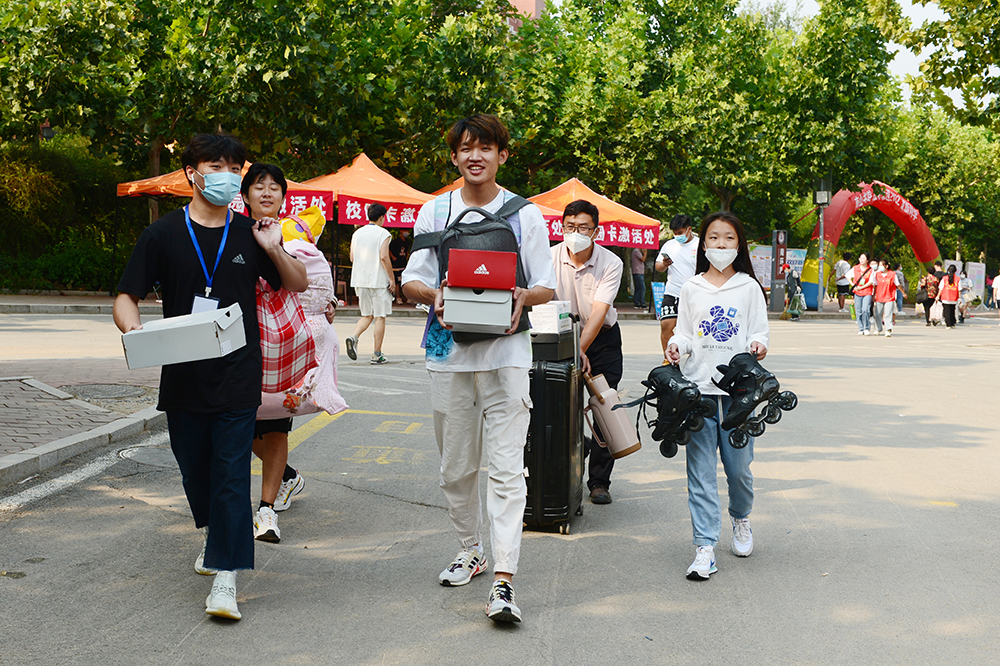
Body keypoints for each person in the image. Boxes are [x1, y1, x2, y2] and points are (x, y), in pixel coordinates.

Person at [113, 134, 308, 620]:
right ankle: (216, 534)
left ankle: (226, 577)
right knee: (195, 469)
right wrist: (133, 331)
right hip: (182, 375)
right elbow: (127, 296)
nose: (226, 175)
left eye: (233, 168)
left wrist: (274, 249)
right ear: (192, 173)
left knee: (229, 475)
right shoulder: (161, 234)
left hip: (238, 374)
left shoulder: (250, 232)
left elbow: (297, 283)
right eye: (215, 165)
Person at [401, 114, 556, 623]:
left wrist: (522, 295)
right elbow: (411, 280)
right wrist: (436, 295)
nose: (475, 156)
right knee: (456, 467)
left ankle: (504, 580)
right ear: (454, 156)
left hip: (507, 355)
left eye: (485, 148)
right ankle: (471, 549)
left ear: (502, 156)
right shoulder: (434, 210)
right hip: (448, 354)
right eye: (466, 148)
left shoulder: (525, 215)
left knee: (507, 469)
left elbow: (547, 285)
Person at [241, 164, 346, 544]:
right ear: (245, 195)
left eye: (275, 187)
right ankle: (286, 476)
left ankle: (266, 509)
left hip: (283, 346)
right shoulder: (231, 235)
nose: (267, 192)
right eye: (259, 186)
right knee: (239, 426)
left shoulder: (291, 238)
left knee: (275, 424)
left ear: (284, 198)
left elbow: (313, 284)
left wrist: (327, 303)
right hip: (241, 343)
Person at [665, 211, 768, 581]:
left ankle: (741, 517)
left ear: (739, 244)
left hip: (738, 394)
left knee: (738, 469)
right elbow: (684, 332)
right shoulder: (691, 287)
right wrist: (677, 346)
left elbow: (759, 331)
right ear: (703, 243)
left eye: (728, 238)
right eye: (713, 237)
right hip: (699, 392)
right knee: (700, 471)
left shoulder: (749, 287)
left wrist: (758, 344)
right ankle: (704, 546)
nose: (720, 244)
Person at [551, 199, 624, 505]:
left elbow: (598, 313)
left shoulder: (611, 262)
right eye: (570, 226)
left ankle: (599, 482)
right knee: (556, 406)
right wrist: (570, 347)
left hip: (602, 340)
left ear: (596, 231)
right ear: (561, 227)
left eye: (583, 227)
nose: (576, 233)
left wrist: (580, 350)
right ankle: (563, 467)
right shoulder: (549, 257)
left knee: (603, 408)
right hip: (559, 337)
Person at [346, 203, 395, 364]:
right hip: (378, 281)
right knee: (380, 317)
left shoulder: (357, 233)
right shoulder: (383, 233)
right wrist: (392, 279)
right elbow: (384, 257)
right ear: (381, 217)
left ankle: (354, 337)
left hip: (360, 280)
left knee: (366, 315)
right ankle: (376, 354)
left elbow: (352, 257)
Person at [655, 215, 699, 352]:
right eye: (675, 233)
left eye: (680, 232)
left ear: (689, 229)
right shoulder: (669, 245)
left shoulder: (700, 245)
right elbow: (658, 266)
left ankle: (696, 357)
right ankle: (669, 359)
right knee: (666, 325)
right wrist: (664, 264)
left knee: (697, 330)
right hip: (672, 292)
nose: (677, 236)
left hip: (695, 294)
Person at [873, 259, 900, 337]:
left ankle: (888, 329)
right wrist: (873, 295)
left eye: (881, 265)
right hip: (879, 297)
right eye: (879, 265)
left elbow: (897, 284)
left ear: (886, 266)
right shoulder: (877, 274)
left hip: (889, 297)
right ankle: (878, 328)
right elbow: (875, 285)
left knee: (888, 314)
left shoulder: (892, 274)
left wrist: (903, 293)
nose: (880, 267)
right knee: (878, 314)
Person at [850, 253, 875, 335]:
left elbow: (871, 281)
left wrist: (861, 287)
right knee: (859, 311)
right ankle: (861, 328)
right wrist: (853, 285)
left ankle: (866, 328)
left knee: (865, 310)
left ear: (867, 260)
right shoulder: (855, 268)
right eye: (860, 258)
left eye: (863, 258)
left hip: (867, 292)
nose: (861, 260)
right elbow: (847, 276)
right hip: (857, 292)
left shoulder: (871, 270)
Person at [389, 229, 412, 304]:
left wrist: (407, 256)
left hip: (403, 263)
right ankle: (398, 297)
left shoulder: (407, 241)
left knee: (404, 280)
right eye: (405, 230)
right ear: (401, 231)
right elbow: (388, 249)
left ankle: (407, 297)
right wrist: (393, 257)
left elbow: (407, 249)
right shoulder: (395, 241)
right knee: (397, 281)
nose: (407, 232)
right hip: (396, 264)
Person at [936, 264, 960, 329]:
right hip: (954, 297)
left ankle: (948, 324)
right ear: (955, 271)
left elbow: (941, 288)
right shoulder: (958, 279)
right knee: (952, 310)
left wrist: (938, 296)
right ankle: (952, 323)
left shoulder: (944, 278)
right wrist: (960, 298)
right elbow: (959, 289)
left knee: (947, 311)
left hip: (945, 297)